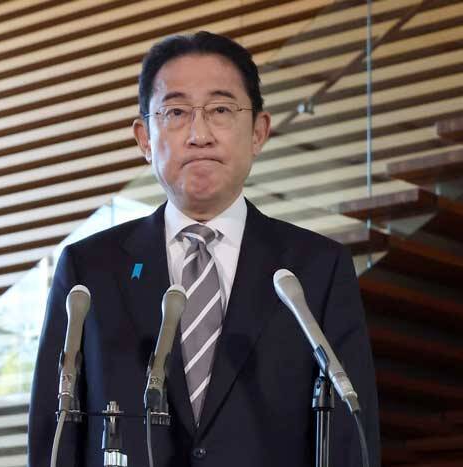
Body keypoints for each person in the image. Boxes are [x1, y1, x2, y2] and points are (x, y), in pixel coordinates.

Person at [28, 31, 380, 467]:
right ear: (144, 138)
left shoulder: (316, 269)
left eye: (220, 110)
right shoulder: (89, 270)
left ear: (258, 132)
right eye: (176, 112)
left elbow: (349, 440)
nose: (199, 134)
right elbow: (53, 438)